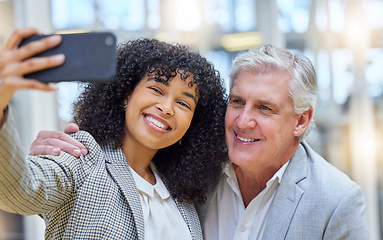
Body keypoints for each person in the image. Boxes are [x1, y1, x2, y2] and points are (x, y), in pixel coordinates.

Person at [31, 44, 369, 239]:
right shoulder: (191, 168)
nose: (243, 120)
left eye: (264, 108)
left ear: (301, 120)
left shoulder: (337, 200)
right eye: (237, 102)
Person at [0, 28, 229, 239]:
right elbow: (18, 191)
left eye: (184, 103)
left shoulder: (182, 197)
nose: (166, 107)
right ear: (127, 95)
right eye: (157, 89)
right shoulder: (84, 156)